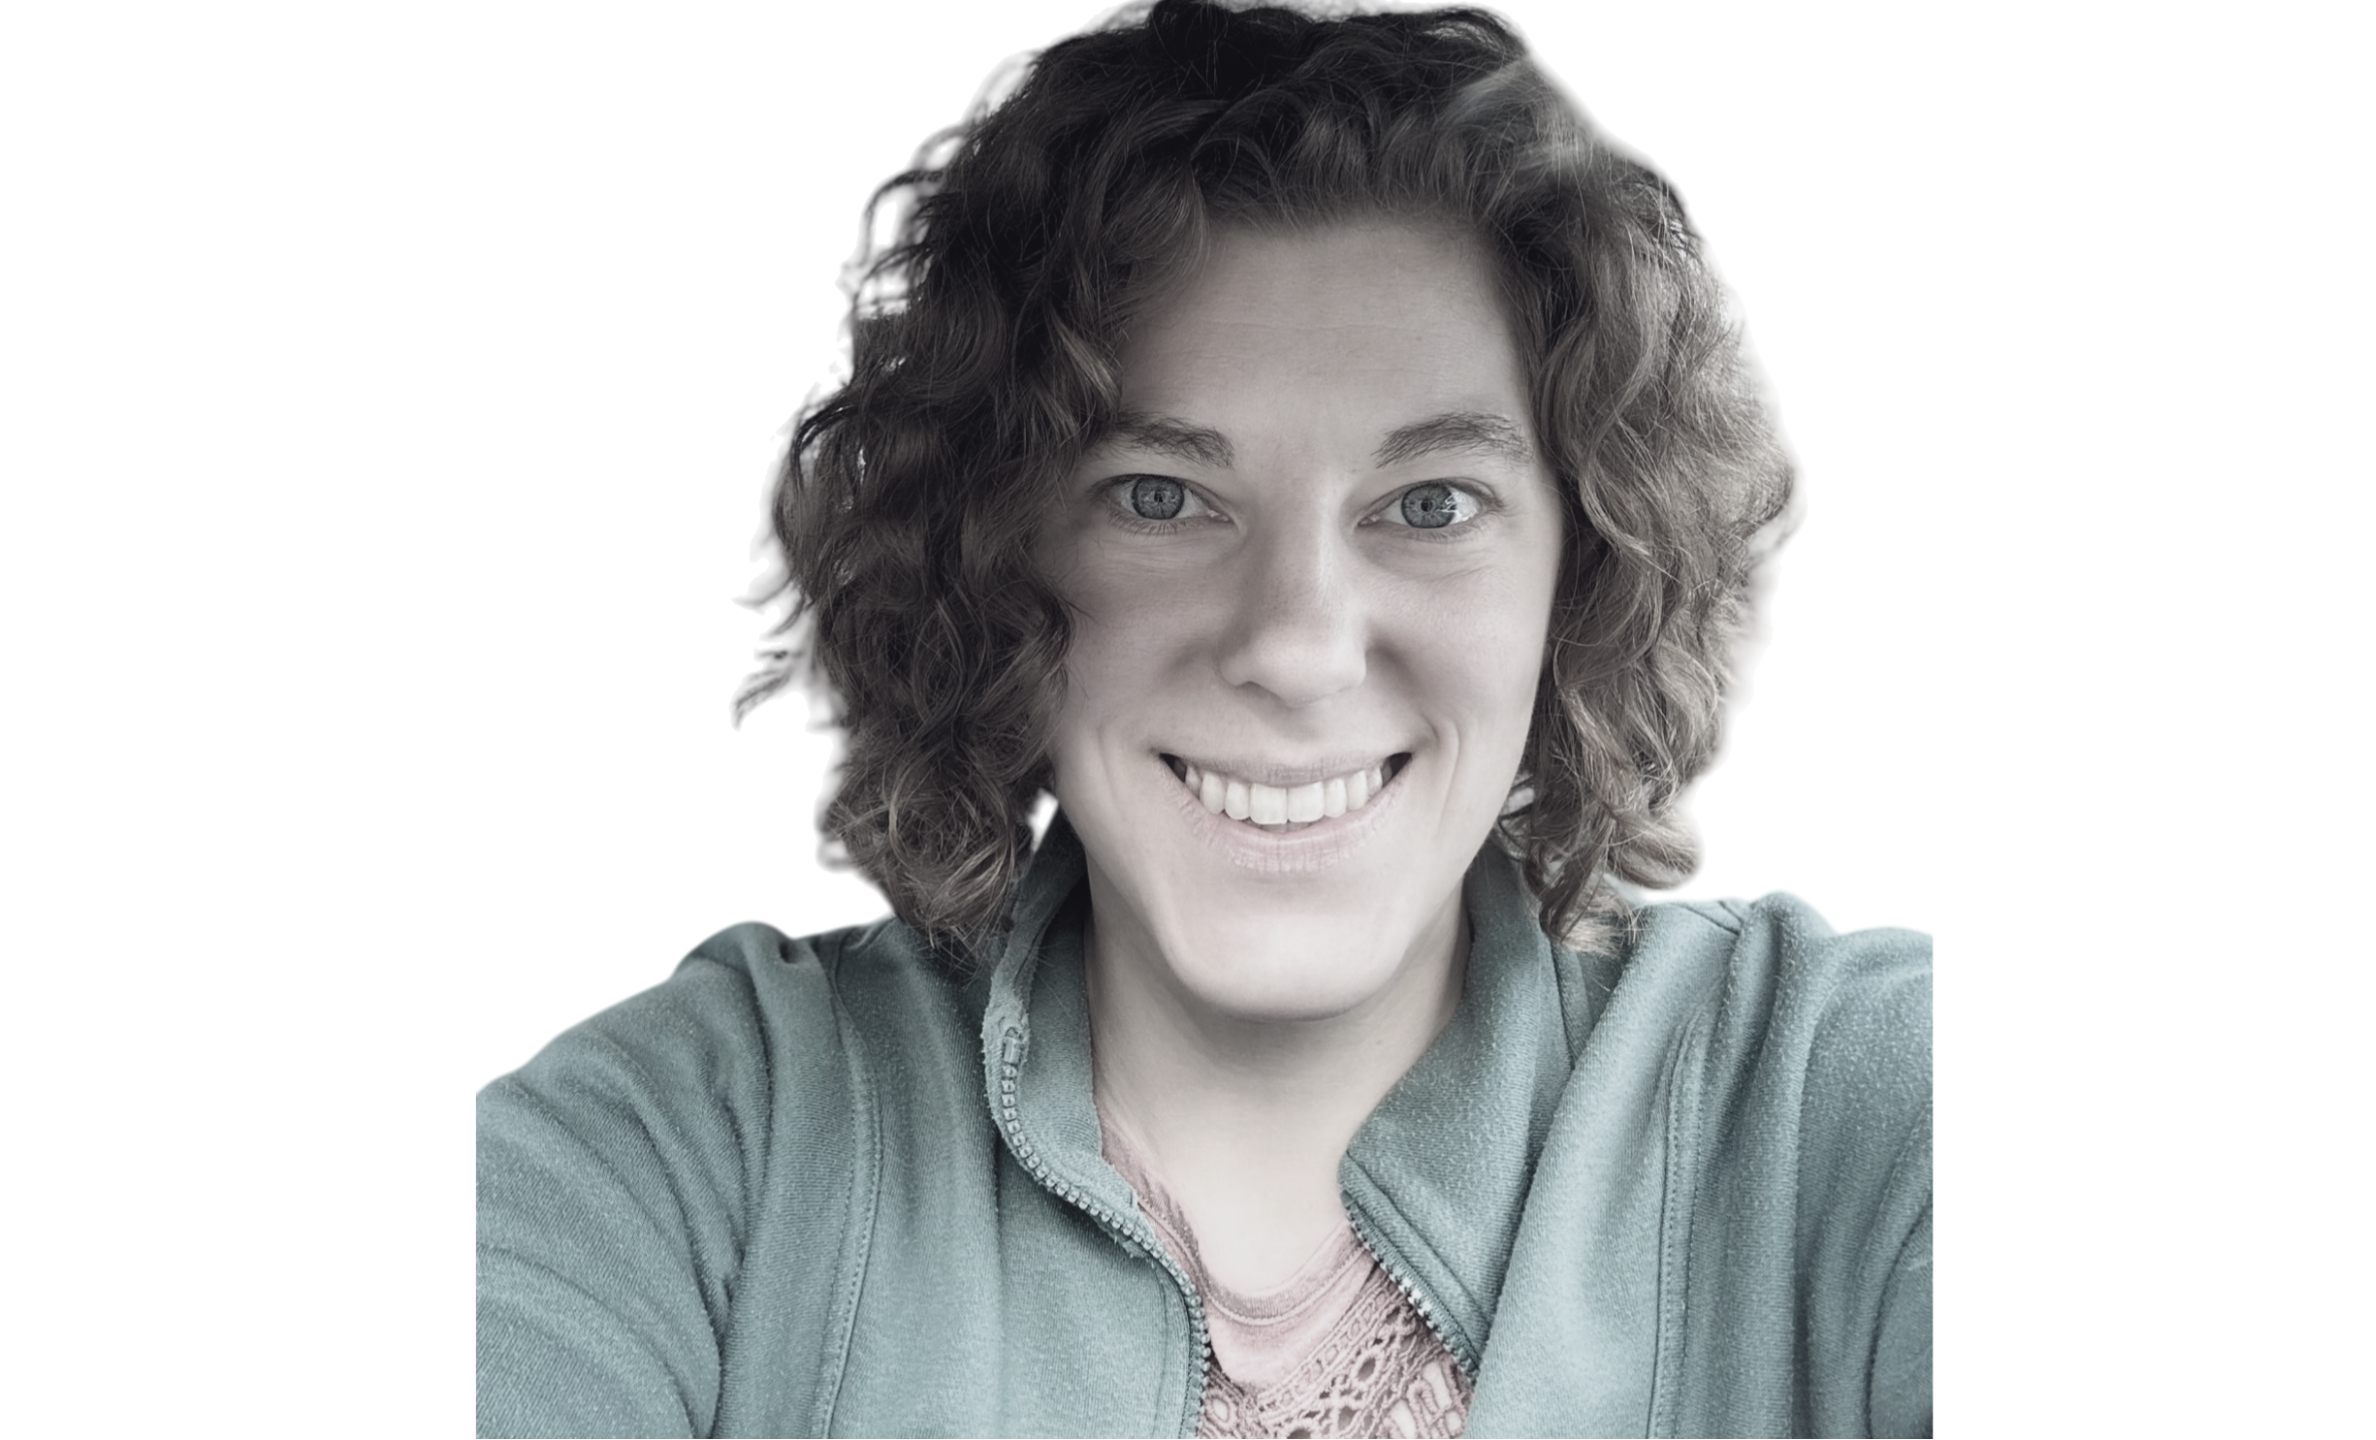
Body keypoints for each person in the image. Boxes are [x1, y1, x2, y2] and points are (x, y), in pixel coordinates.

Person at [475, 2, 1954, 1436]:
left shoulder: (1848, 1097)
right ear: (994, 557)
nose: (1298, 647)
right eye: (1162, 498)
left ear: (1583, 575)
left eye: (1431, 505)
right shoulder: (693, 1135)